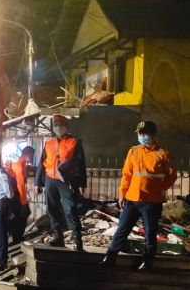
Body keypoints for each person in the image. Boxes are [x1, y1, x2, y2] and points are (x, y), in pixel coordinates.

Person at [101, 121, 176, 270]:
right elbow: (127, 175)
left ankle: (147, 262)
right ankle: (110, 257)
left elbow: (171, 176)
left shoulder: (163, 154)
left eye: (145, 133)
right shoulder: (133, 151)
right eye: (140, 133)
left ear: (153, 135)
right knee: (122, 229)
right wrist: (122, 193)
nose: (142, 136)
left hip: (151, 201)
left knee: (150, 232)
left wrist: (159, 188)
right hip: (132, 199)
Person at [35, 114, 87, 251]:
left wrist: (82, 183)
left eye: (60, 124)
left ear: (66, 126)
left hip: (66, 180)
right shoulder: (48, 143)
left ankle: (77, 240)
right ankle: (58, 237)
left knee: (70, 209)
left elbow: (81, 164)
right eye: (56, 125)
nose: (58, 127)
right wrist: (37, 183)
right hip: (50, 179)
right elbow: (41, 163)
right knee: (52, 209)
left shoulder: (75, 142)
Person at [8, 146, 35, 244]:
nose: (31, 158)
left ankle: (17, 237)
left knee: (22, 215)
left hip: (16, 194)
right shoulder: (19, 166)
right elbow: (20, 185)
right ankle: (17, 238)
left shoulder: (22, 164)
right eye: (31, 156)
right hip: (16, 194)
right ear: (26, 154)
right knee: (22, 215)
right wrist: (23, 202)